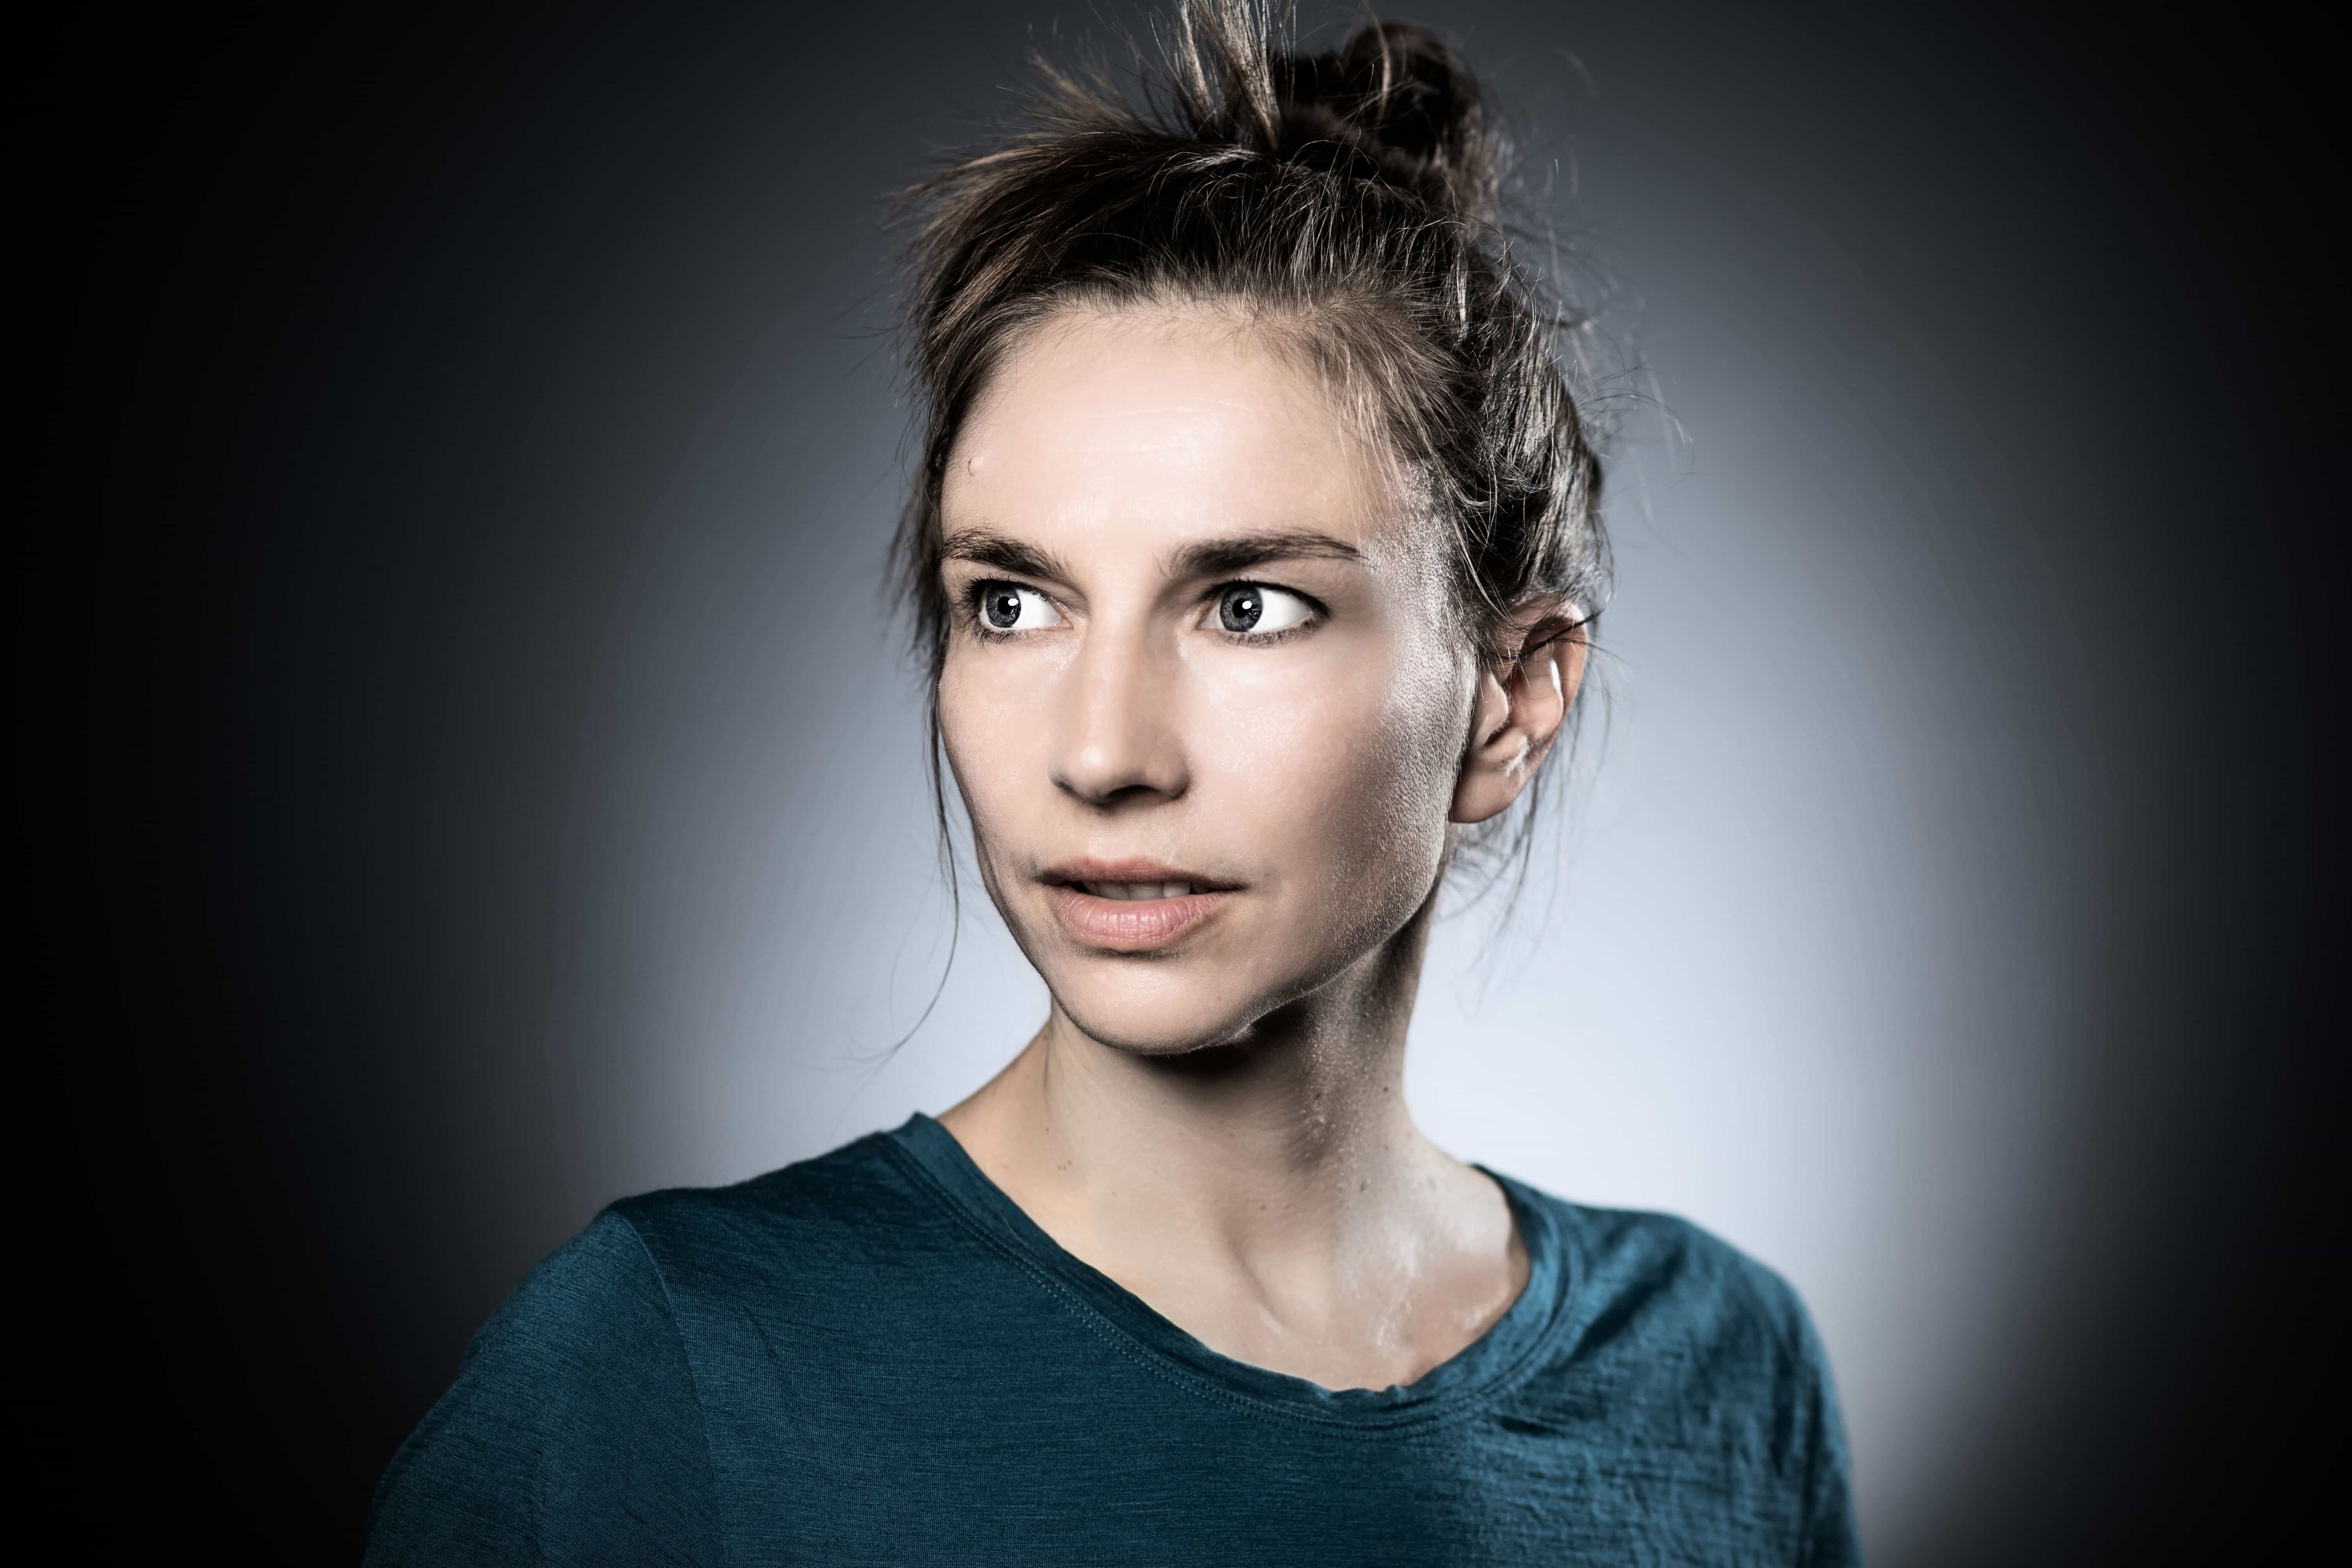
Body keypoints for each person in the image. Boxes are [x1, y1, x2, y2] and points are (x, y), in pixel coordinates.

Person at [364, 3, 1861, 1561]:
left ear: (1508, 701)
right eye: (1013, 603)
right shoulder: (660, 1367)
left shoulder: (1720, 1373)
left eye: (1247, 607)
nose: (1099, 756)